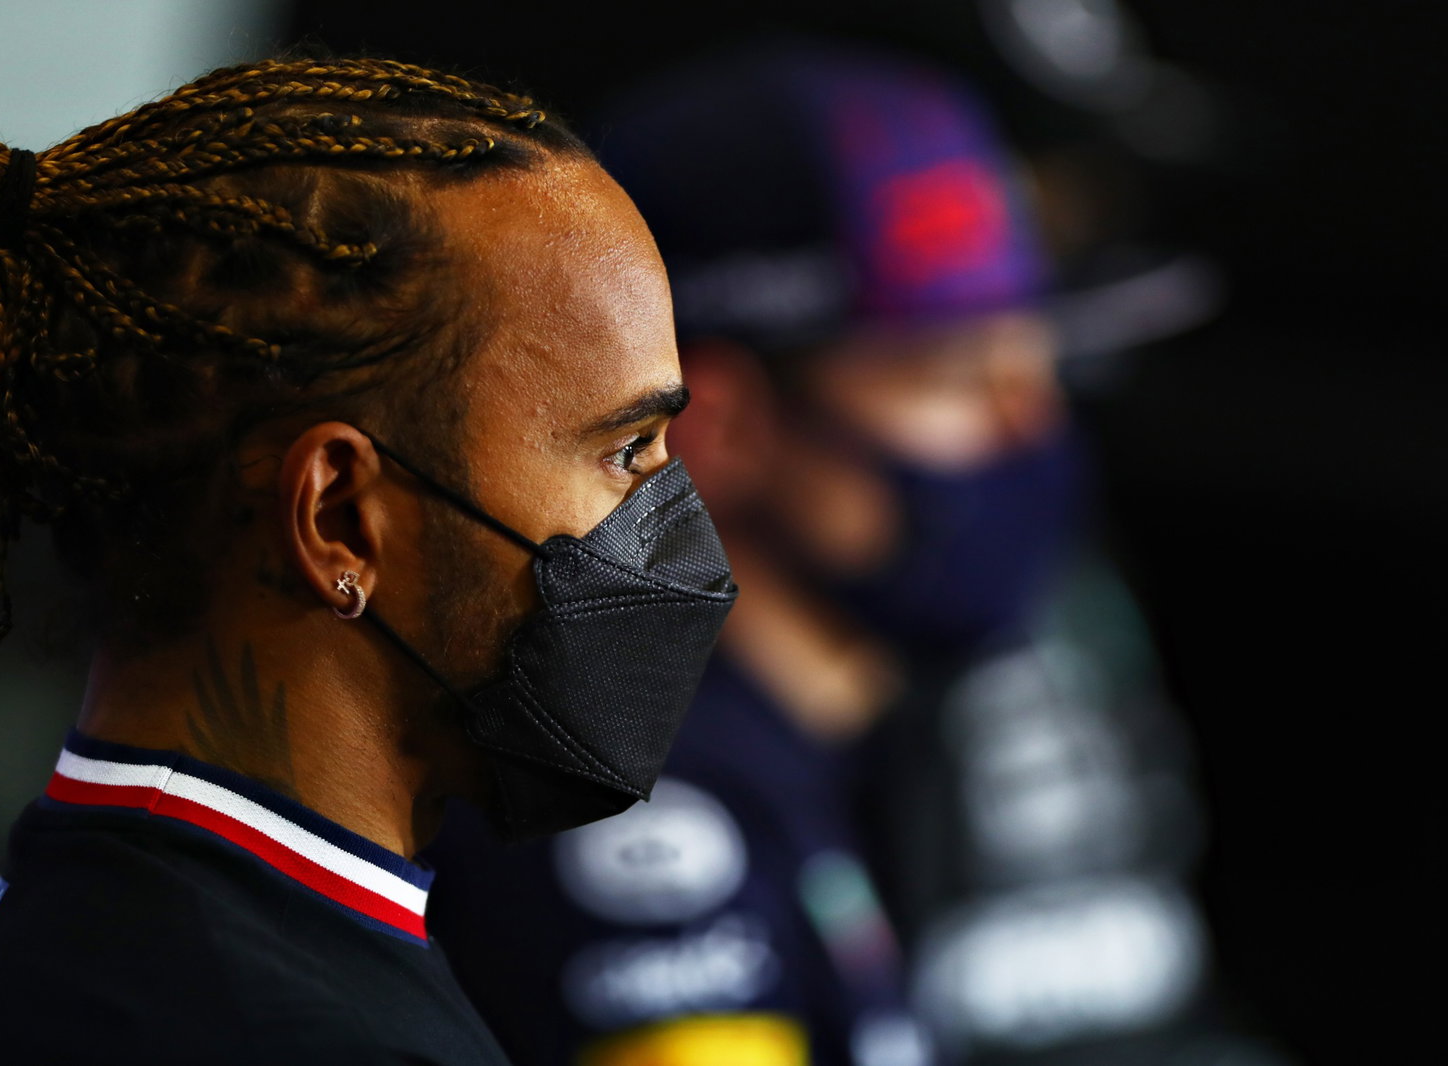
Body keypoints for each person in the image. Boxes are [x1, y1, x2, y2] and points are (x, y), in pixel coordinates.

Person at [0, 55, 736, 1064]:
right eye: (625, 451)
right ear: (340, 520)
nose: (674, 520)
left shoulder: (125, 933)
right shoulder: (258, 1025)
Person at [428, 38, 1240, 1066]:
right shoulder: (622, 801)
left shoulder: (849, 757)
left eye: (1038, 360)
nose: (1027, 424)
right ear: (719, 426)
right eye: (949, 372)